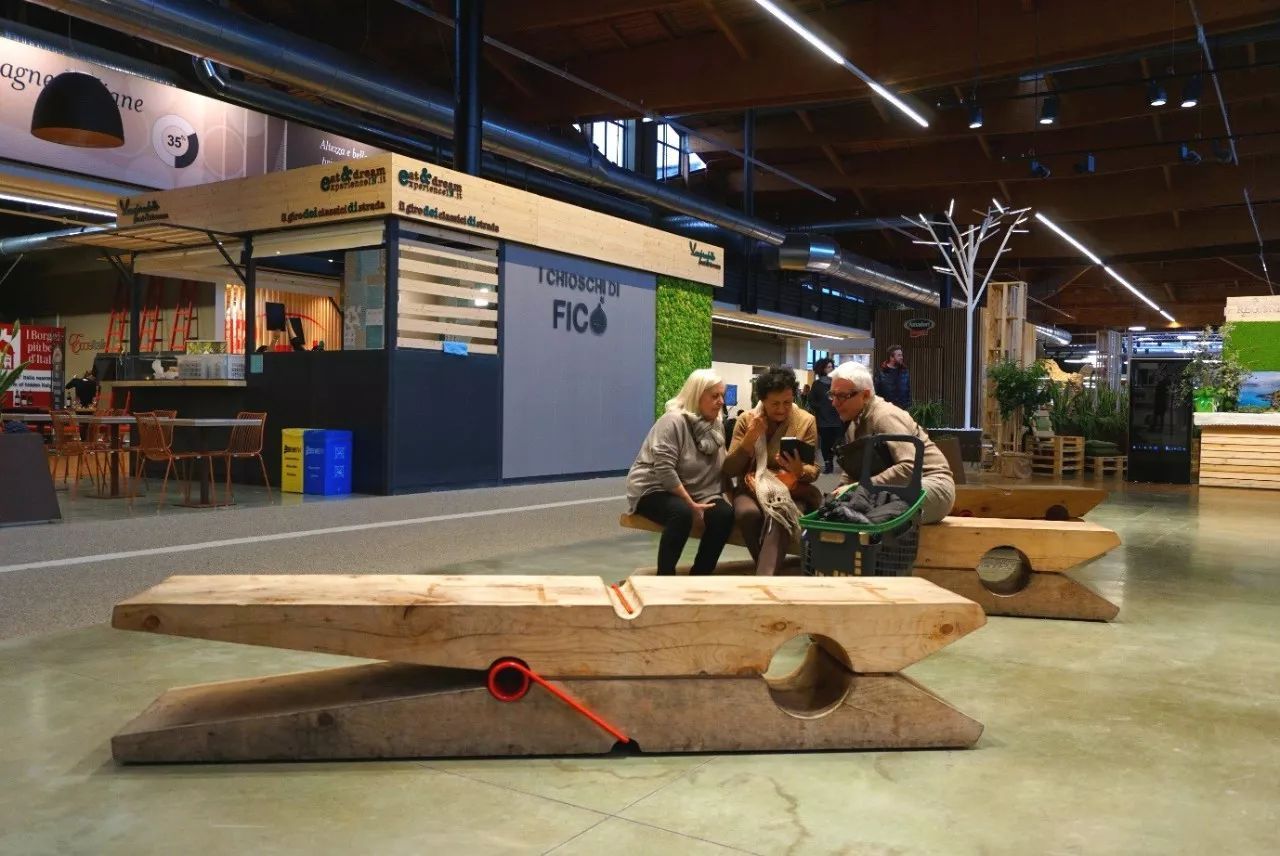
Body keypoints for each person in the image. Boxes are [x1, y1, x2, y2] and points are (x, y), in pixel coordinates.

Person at [627, 368, 735, 575]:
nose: (721, 401)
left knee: (724, 515)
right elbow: (664, 469)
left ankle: (700, 575)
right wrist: (690, 503)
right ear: (696, 395)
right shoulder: (673, 421)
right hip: (655, 488)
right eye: (714, 396)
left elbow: (721, 466)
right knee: (681, 513)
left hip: (699, 491)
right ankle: (665, 577)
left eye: (722, 395)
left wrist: (732, 498)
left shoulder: (716, 425)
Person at [724, 366, 823, 575]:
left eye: (787, 402)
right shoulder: (747, 420)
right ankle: (769, 574)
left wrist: (798, 470)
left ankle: (765, 576)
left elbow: (814, 470)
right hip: (751, 487)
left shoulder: (805, 421)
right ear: (762, 400)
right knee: (747, 513)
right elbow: (730, 468)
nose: (781, 409)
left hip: (791, 490)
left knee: (779, 513)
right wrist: (749, 440)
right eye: (775, 404)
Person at [828, 361, 954, 524]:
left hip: (932, 484)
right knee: (841, 509)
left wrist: (858, 488)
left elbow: (909, 467)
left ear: (865, 395)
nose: (834, 403)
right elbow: (853, 471)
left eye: (841, 396)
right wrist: (839, 493)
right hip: (893, 489)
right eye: (832, 395)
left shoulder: (885, 416)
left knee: (873, 509)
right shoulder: (854, 425)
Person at [808, 357, 844, 474]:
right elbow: (811, 401)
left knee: (837, 442)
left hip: (837, 417)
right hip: (823, 419)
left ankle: (835, 460)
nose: (831, 369)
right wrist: (821, 407)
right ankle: (828, 463)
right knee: (825, 442)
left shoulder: (837, 383)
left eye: (832, 367)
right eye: (828, 367)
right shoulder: (817, 384)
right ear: (822, 369)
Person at [874, 345, 911, 411]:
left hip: (902, 411)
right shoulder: (880, 373)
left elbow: (908, 392)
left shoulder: (904, 372)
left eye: (901, 355)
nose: (901, 357)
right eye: (899, 355)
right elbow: (875, 393)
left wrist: (908, 407)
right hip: (886, 411)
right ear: (891, 357)